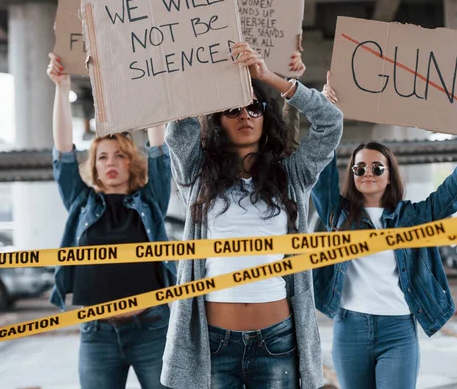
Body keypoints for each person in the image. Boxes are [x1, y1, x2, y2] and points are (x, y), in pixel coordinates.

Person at [161, 42, 343, 389]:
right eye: (232, 110)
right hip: (214, 343)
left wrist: (270, 78)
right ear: (218, 122)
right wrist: (214, 79)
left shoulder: (293, 176)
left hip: (277, 341)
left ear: (266, 117)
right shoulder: (197, 178)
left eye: (254, 108)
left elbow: (330, 124)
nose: (245, 116)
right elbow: (178, 130)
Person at [313, 76, 457, 389]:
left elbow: (449, 195)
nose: (367, 173)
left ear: (390, 176)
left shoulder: (411, 216)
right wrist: (326, 114)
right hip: (350, 328)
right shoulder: (338, 213)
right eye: (359, 168)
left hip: (398, 329)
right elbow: (322, 172)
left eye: (377, 168)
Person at [47, 53, 176, 389]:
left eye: (119, 154)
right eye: (103, 156)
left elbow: (160, 148)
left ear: (131, 160)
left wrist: (154, 86)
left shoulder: (149, 201)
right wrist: (62, 88)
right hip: (97, 333)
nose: (111, 162)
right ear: (94, 165)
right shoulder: (82, 203)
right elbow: (62, 153)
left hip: (152, 327)